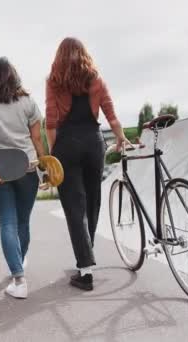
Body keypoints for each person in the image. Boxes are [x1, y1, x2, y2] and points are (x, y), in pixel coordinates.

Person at [45, 37, 130, 291]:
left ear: (59, 56)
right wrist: (121, 138)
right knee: (92, 201)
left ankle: (85, 268)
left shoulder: (54, 81)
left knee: (74, 206)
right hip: (94, 144)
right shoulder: (96, 79)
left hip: (66, 144)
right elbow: (111, 116)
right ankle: (87, 260)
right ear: (84, 54)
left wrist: (54, 155)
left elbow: (50, 122)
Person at [0, 57, 45, 299]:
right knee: (23, 222)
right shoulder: (28, 102)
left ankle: (18, 278)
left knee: (7, 222)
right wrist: (45, 164)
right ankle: (18, 265)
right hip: (27, 166)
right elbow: (37, 139)